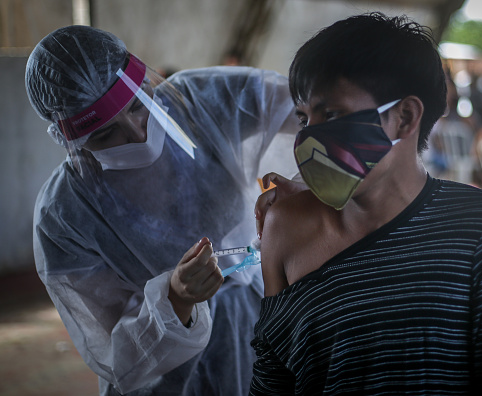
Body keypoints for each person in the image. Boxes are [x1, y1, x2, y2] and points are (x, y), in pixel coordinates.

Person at [250, 13, 482, 395]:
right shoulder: (284, 225)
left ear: (404, 117)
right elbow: (272, 383)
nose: (309, 137)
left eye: (333, 114)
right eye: (304, 117)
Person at [25, 25, 297, 395]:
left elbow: (311, 106)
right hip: (168, 380)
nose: (137, 133)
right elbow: (113, 354)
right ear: (68, 139)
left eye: (138, 105)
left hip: (261, 327)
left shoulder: (201, 104)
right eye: (106, 134)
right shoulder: (64, 215)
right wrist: (175, 301)